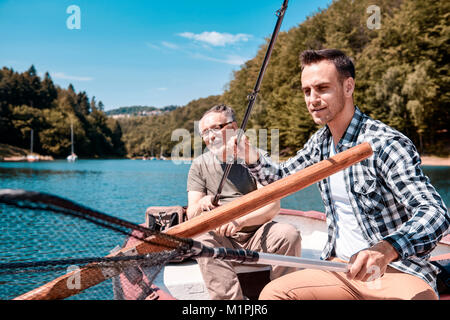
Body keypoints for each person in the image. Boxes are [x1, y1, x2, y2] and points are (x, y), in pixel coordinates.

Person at [232, 49, 449, 300]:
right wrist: (250, 156)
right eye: (306, 91)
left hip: (395, 270)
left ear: (348, 86)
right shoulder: (320, 143)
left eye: (322, 88)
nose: (312, 99)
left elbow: (435, 212)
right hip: (340, 268)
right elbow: (281, 180)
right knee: (274, 294)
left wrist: (386, 249)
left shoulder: (385, 143)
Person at [186, 104, 301, 300]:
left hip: (257, 233)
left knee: (288, 234)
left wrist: (239, 222)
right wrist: (203, 202)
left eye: (215, 128)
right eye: (204, 133)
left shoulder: (257, 158)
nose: (210, 136)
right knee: (201, 240)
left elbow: (272, 206)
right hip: (222, 238)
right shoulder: (199, 165)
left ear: (234, 127)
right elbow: (191, 214)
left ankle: (282, 296)